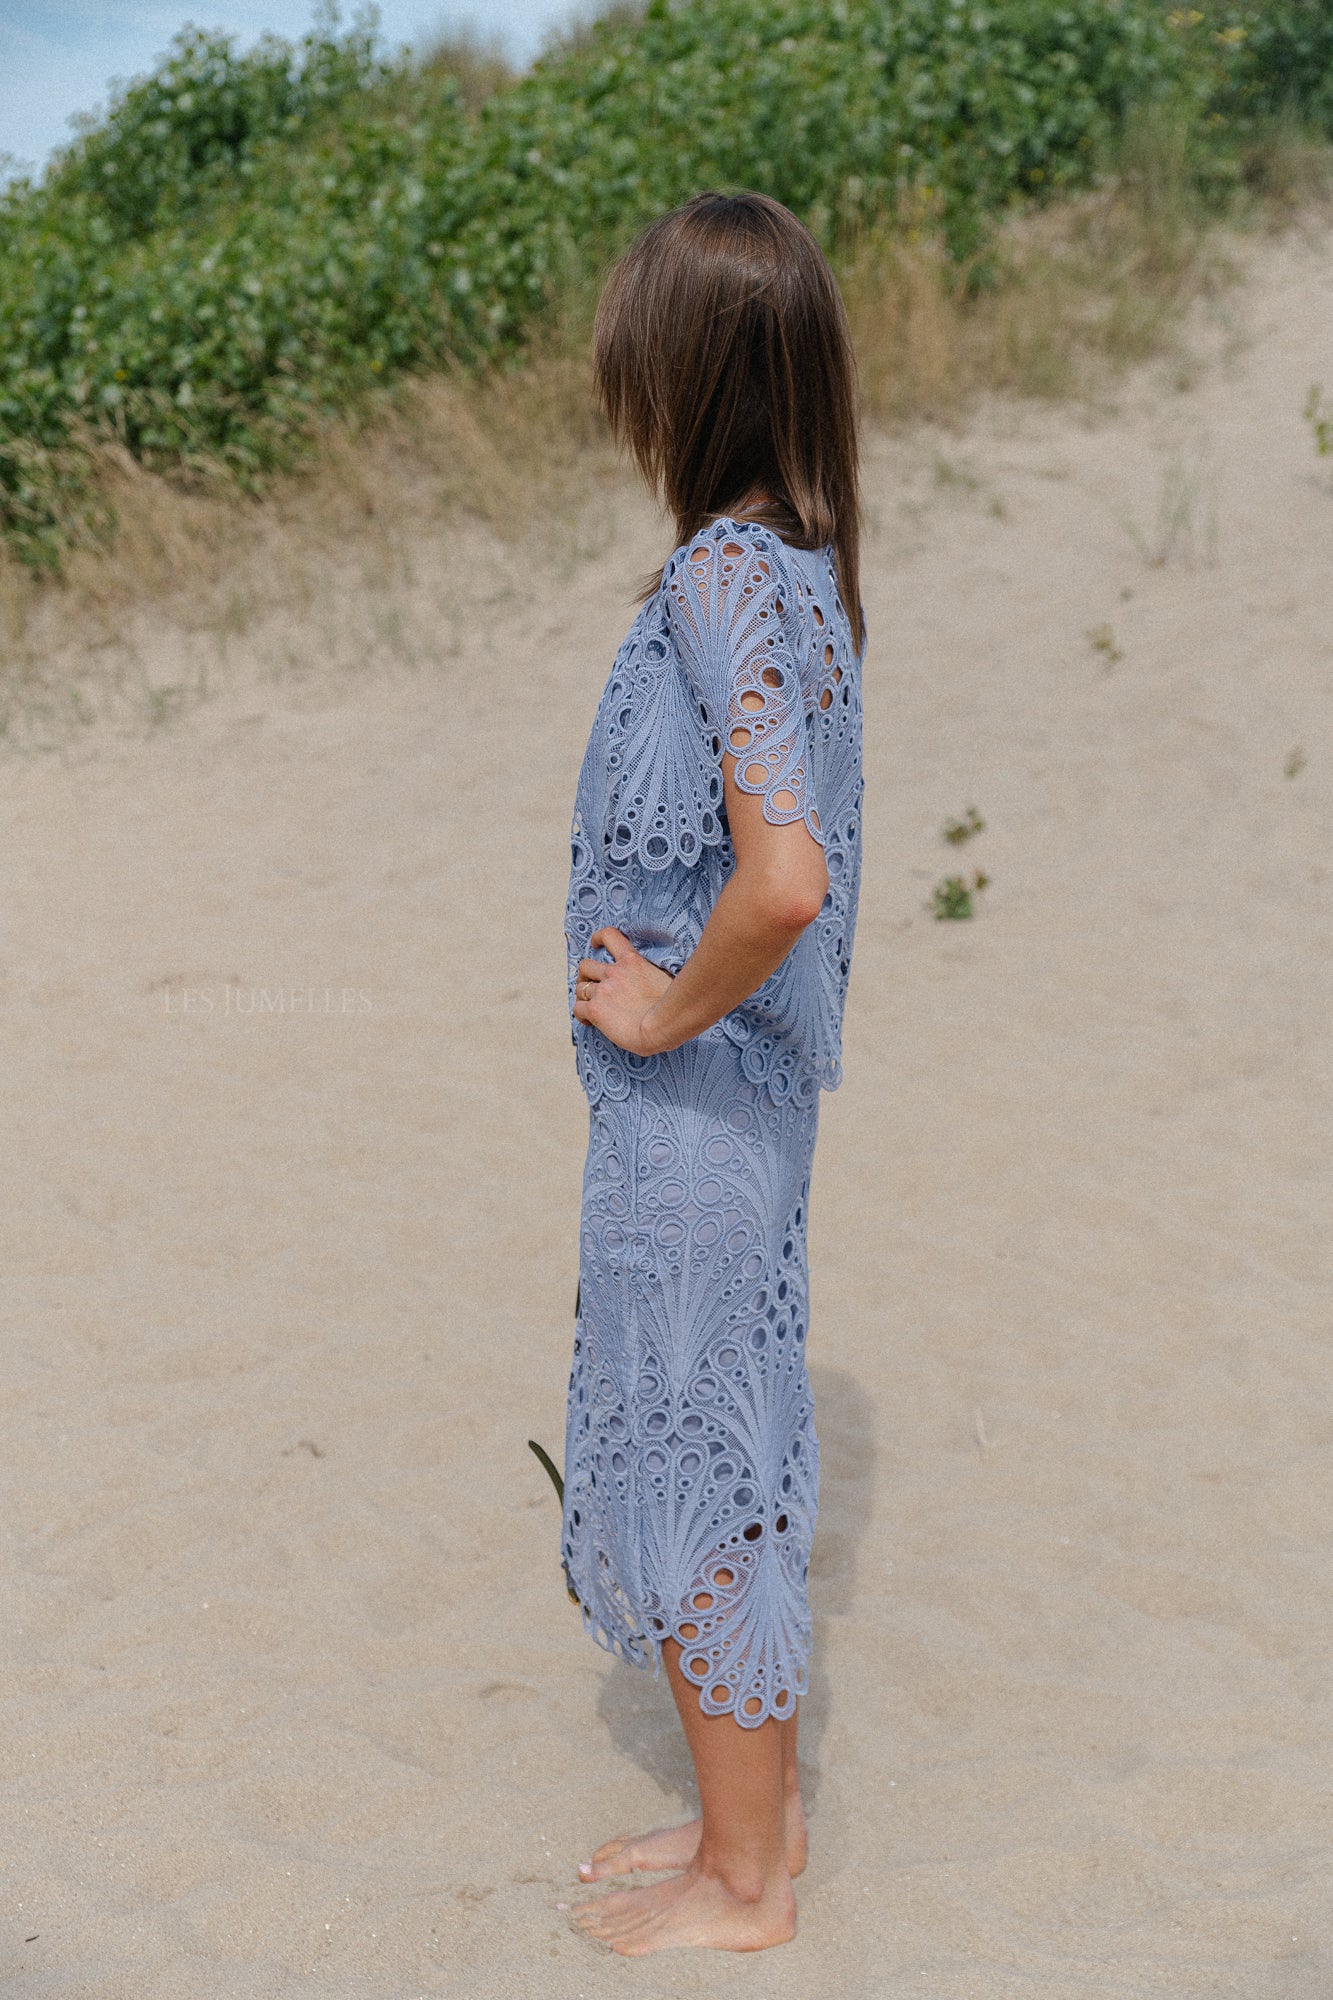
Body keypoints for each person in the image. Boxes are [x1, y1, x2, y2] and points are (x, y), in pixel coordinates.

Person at [561, 189, 865, 1956]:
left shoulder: (720, 577)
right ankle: (753, 1822)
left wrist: (666, 1010)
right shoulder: (800, 572)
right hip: (730, 1123)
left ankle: (744, 1887)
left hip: (697, 1115)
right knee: (722, 1451)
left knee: (694, 1463)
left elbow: (782, 877)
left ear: (682, 378)